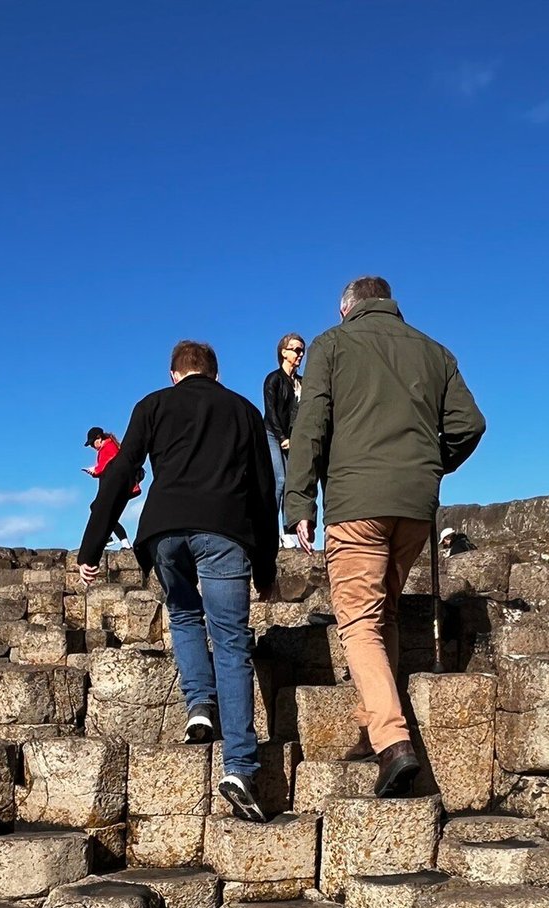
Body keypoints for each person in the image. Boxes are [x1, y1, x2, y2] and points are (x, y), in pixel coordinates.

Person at [285, 276, 485, 797]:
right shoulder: (435, 351)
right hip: (415, 507)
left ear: (347, 307)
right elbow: (469, 424)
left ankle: (393, 744)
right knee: (385, 613)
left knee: (357, 620)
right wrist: (429, 468)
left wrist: (299, 501)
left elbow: (310, 429)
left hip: (356, 503)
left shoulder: (332, 344)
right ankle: (373, 720)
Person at [77, 341, 278, 823]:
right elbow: (264, 491)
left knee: (185, 615)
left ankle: (199, 706)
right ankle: (240, 768)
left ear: (174, 374)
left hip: (165, 531)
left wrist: (92, 545)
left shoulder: (153, 404)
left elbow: (120, 472)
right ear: (214, 373)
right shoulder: (244, 410)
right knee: (231, 643)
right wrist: (267, 565)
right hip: (225, 531)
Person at [263, 334, 306, 547]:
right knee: (279, 480)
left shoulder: (301, 383)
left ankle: (289, 532)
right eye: (296, 350)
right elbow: (270, 411)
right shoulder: (273, 379)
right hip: (272, 433)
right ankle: (270, 531)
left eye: (302, 351)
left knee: (292, 483)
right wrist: (281, 437)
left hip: (292, 438)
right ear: (284, 352)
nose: (300, 355)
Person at [83, 428, 141, 546]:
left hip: (115, 488)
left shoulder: (108, 447)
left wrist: (94, 471)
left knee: (97, 508)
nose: (92, 447)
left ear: (99, 438)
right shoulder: (110, 446)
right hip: (118, 487)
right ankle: (125, 544)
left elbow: (106, 466)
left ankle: (110, 538)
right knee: (109, 514)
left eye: (92, 443)